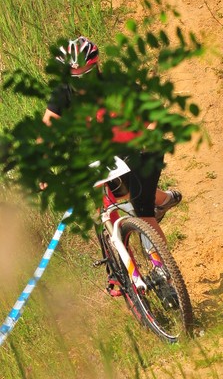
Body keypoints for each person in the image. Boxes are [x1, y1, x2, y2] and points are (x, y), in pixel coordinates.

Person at [43, 37, 182, 292]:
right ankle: (118, 272)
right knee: (105, 207)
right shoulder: (63, 93)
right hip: (106, 154)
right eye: (76, 79)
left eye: (88, 76)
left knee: (142, 211)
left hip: (141, 148)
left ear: (97, 67)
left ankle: (166, 273)